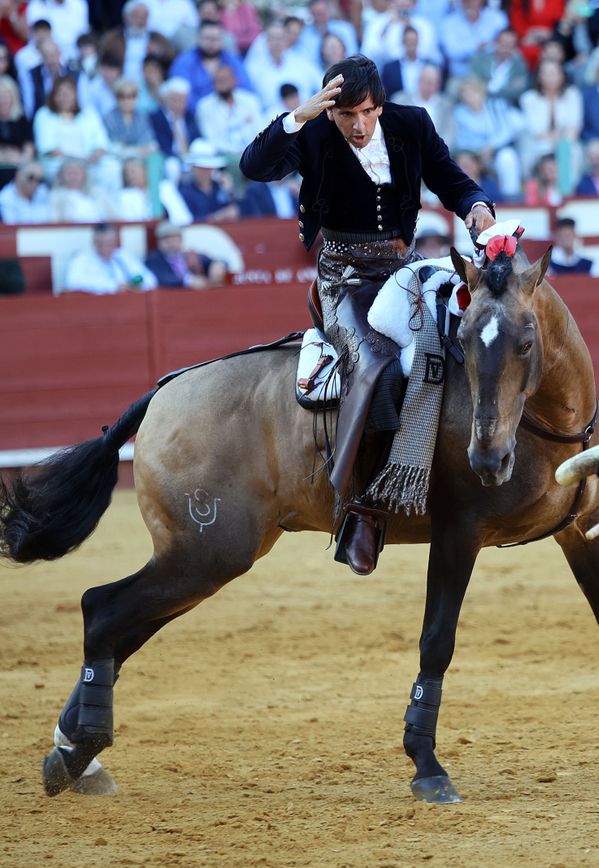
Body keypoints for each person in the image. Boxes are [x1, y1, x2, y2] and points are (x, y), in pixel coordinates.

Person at [238, 56, 496, 576]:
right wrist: (299, 116)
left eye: (369, 112)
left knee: (470, 337)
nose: (360, 125)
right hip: (344, 281)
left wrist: (476, 208)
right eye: (348, 114)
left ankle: (457, 471)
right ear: (330, 109)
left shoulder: (410, 124)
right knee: (376, 366)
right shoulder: (312, 133)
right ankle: (364, 509)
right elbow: (252, 167)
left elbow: (451, 179)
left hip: (404, 270)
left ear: (381, 105)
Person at [519, 58, 581, 179]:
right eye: (546, 74)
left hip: (565, 141)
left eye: (553, 73)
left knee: (570, 150)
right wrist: (556, 139)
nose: (550, 77)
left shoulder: (572, 95)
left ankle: (567, 193)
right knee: (543, 147)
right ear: (539, 76)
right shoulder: (528, 99)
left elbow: (574, 126)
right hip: (537, 142)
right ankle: (538, 192)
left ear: (562, 75)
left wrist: (560, 141)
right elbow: (536, 130)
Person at [170, 21, 253, 108]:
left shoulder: (232, 60)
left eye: (215, 39)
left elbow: (246, 89)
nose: (211, 43)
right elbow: (179, 92)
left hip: (230, 111)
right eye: (207, 39)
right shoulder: (184, 61)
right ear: (198, 39)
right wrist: (205, 110)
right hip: (194, 114)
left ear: (222, 41)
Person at [62, 223, 156, 294]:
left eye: (110, 242)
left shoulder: (123, 256)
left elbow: (150, 279)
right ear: (94, 242)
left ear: (116, 241)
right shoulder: (82, 258)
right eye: (101, 242)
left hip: (126, 305)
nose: (106, 246)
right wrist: (114, 286)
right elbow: (73, 282)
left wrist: (135, 286)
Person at [195, 63, 266, 154]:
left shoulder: (250, 100)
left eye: (225, 80)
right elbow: (212, 140)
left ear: (235, 80)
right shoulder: (205, 107)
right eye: (218, 81)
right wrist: (238, 152)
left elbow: (261, 128)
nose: (222, 84)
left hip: (254, 151)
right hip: (225, 155)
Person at [145, 221, 226, 288]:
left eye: (174, 240)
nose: (171, 244)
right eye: (167, 241)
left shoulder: (188, 255)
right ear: (159, 242)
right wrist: (188, 281)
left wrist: (218, 264)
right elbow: (161, 279)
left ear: (181, 240)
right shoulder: (153, 260)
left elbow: (216, 262)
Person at [178, 139, 242, 221]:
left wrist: (230, 191)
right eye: (202, 168)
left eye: (209, 168)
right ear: (193, 167)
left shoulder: (220, 187)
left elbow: (236, 212)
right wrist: (219, 216)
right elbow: (190, 220)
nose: (207, 172)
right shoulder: (184, 192)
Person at [470, 28, 532, 104]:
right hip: (479, 102)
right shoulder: (480, 59)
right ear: (495, 42)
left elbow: (519, 90)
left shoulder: (519, 65)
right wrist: (508, 87)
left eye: (510, 44)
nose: (505, 46)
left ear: (515, 47)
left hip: (507, 105)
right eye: (503, 42)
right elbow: (473, 81)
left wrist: (489, 89)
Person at [151, 77, 200, 159]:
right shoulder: (157, 118)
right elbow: (160, 144)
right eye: (175, 100)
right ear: (165, 99)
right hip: (169, 157)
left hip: (191, 157)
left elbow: (197, 138)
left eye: (182, 101)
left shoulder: (189, 116)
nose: (178, 105)